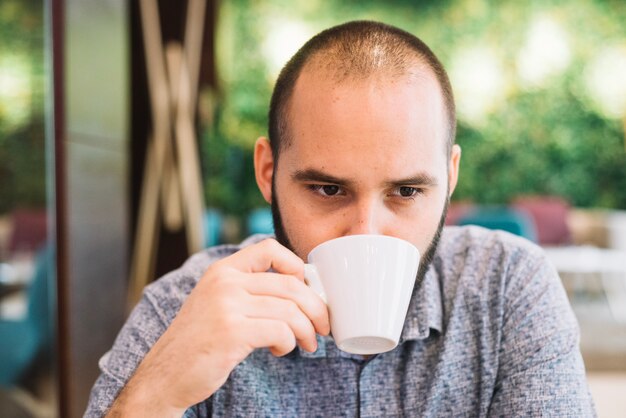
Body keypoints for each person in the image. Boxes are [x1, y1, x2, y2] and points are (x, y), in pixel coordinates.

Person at [85, 20, 595, 417]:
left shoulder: (508, 290)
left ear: (450, 175)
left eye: (407, 191)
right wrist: (157, 392)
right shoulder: (184, 307)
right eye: (328, 189)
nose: (367, 232)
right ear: (268, 171)